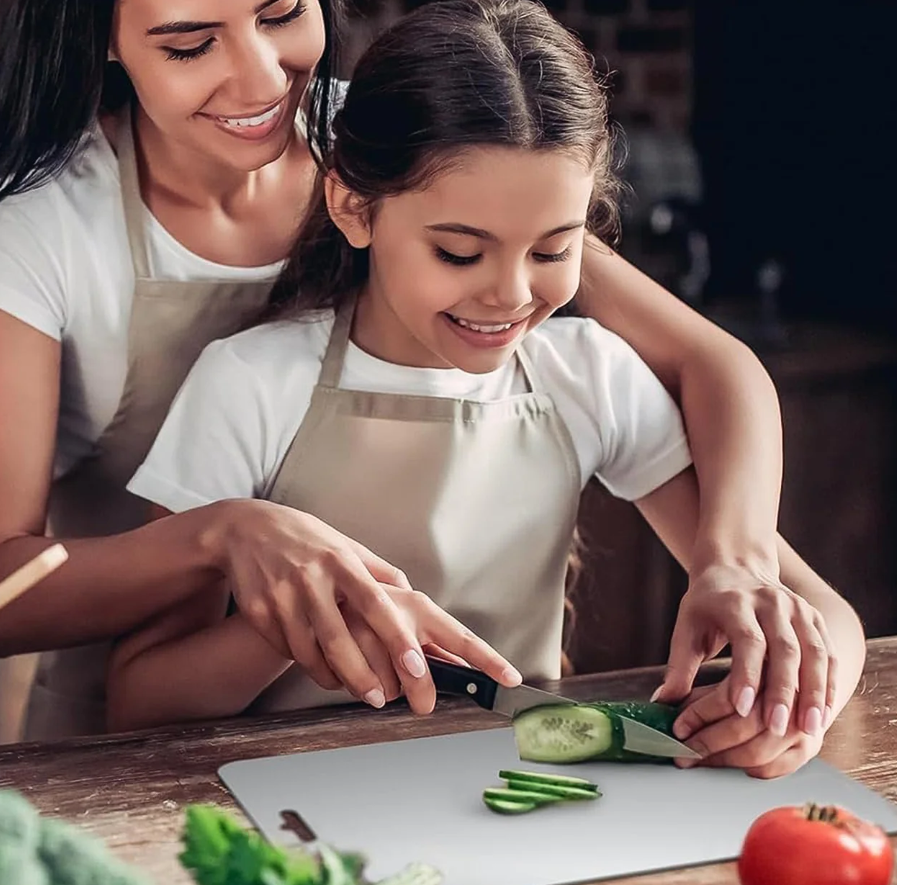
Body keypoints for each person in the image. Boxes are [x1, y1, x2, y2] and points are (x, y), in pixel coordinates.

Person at [0, 0, 829, 744]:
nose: (261, 78)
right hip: (128, 728)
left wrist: (738, 562)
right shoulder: (50, 231)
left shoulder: (411, 137)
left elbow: (706, 356)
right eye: (188, 44)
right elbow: (116, 671)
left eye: (282, 11)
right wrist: (229, 538)